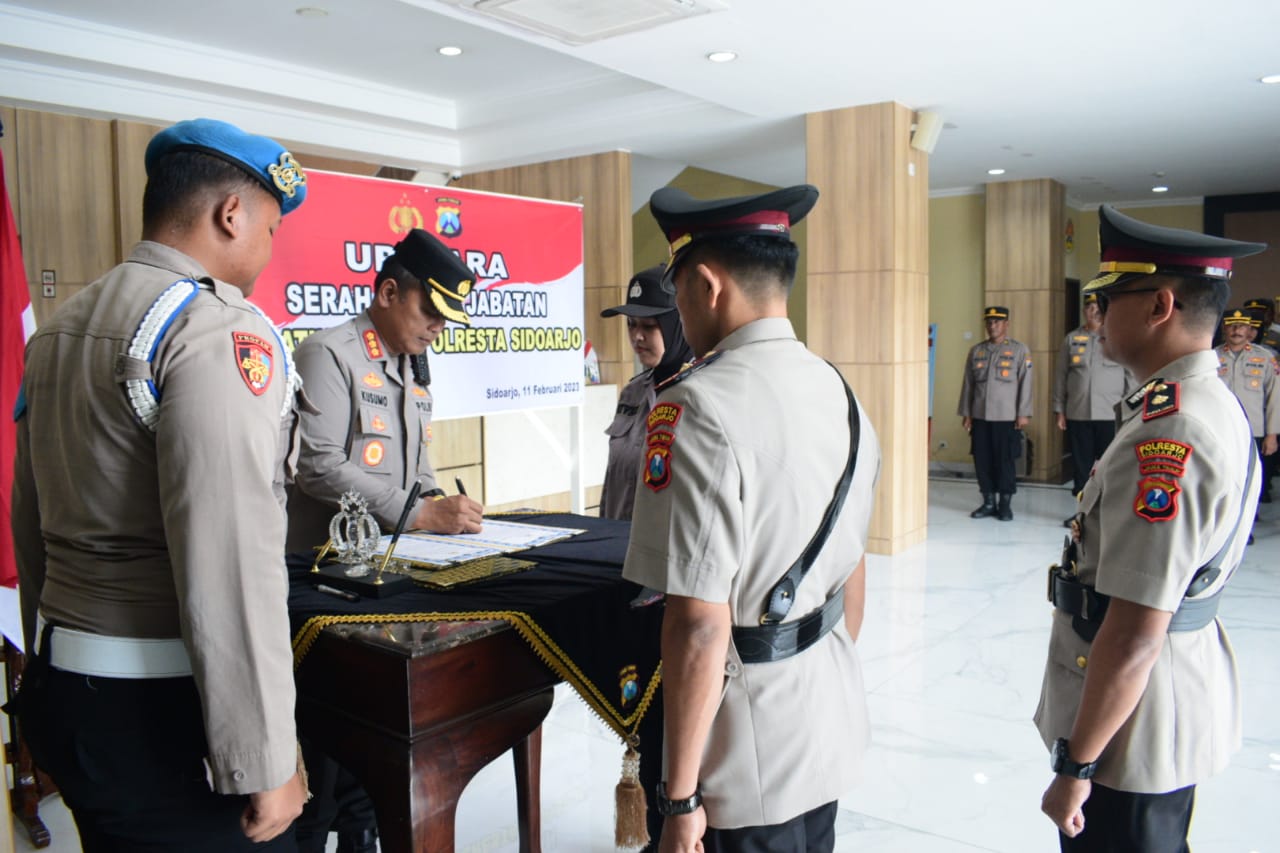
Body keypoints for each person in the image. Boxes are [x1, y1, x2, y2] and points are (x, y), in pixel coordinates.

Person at [10, 118, 310, 851]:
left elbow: (28, 518)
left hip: (69, 687)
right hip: (165, 712)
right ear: (230, 214)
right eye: (270, 230)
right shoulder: (212, 329)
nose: (269, 253)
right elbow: (229, 552)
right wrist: (265, 755)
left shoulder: (60, 327)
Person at [622, 184, 880, 852]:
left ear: (707, 284)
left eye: (677, 287)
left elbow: (700, 625)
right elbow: (852, 572)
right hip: (823, 715)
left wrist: (679, 798)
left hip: (744, 748)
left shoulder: (697, 408)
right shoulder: (840, 390)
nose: (675, 306)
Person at [1036, 205, 1266, 851]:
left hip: (1133, 716)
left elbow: (1137, 629)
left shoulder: (1173, 430)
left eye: (1111, 299)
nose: (1100, 315)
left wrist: (1078, 765)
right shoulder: (1191, 402)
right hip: (1150, 693)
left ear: (1159, 304)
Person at [287, 228, 485, 853]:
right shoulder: (329, 354)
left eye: (445, 320)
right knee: (326, 753)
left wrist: (441, 506)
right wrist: (417, 513)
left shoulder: (413, 364)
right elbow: (315, 463)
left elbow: (417, 469)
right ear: (388, 292)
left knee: (375, 756)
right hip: (324, 582)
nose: (436, 329)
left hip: (388, 584)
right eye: (430, 312)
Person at [599, 263, 693, 521]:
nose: (637, 336)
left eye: (649, 326)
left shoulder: (699, 397)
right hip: (618, 550)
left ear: (678, 323)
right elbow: (613, 484)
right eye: (631, 324)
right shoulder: (633, 392)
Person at [1053, 292, 1133, 523]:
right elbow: (1061, 376)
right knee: (1081, 467)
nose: (1094, 311)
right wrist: (1059, 409)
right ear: (1084, 311)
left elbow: (1130, 376)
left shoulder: (1117, 338)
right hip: (1078, 413)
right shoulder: (1071, 339)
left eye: (1098, 307)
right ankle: (1082, 514)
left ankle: (1108, 515)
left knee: (1111, 466)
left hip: (1111, 413)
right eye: (1089, 306)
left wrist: (1130, 411)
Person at [958, 306, 1033, 521]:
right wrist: (967, 413)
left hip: (1007, 417)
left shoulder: (1019, 350)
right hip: (980, 416)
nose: (993, 326)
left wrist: (1023, 413)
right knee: (982, 460)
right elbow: (968, 385)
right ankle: (988, 502)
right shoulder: (976, 351)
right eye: (989, 322)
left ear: (1006, 324)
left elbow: (1025, 384)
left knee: (1005, 461)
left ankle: (1005, 504)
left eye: (997, 322)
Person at [1215, 308, 1278, 507]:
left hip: (1254, 430)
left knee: (1251, 477)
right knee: (1223, 477)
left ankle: (1248, 522)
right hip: (1221, 429)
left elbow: (1274, 398)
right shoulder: (1211, 356)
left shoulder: (1266, 358)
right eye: (1232, 325)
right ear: (1224, 328)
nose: (1236, 330)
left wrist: (1272, 434)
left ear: (1249, 330)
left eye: (1241, 326)